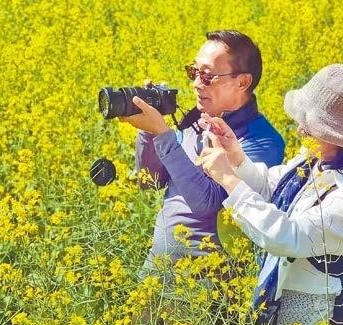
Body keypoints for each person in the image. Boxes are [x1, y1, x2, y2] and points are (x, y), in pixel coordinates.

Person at [199, 63, 343, 325]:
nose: (300, 130)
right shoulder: (318, 161)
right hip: (286, 322)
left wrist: (229, 181)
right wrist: (235, 155)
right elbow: (273, 188)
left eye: (310, 126)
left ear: (336, 134)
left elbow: (287, 237)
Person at [120, 29, 285, 271]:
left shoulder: (262, 141)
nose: (197, 83)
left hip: (206, 289)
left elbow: (208, 203)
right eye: (194, 72)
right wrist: (149, 129)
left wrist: (163, 134)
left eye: (207, 76)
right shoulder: (195, 121)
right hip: (157, 275)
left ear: (243, 82)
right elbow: (150, 181)